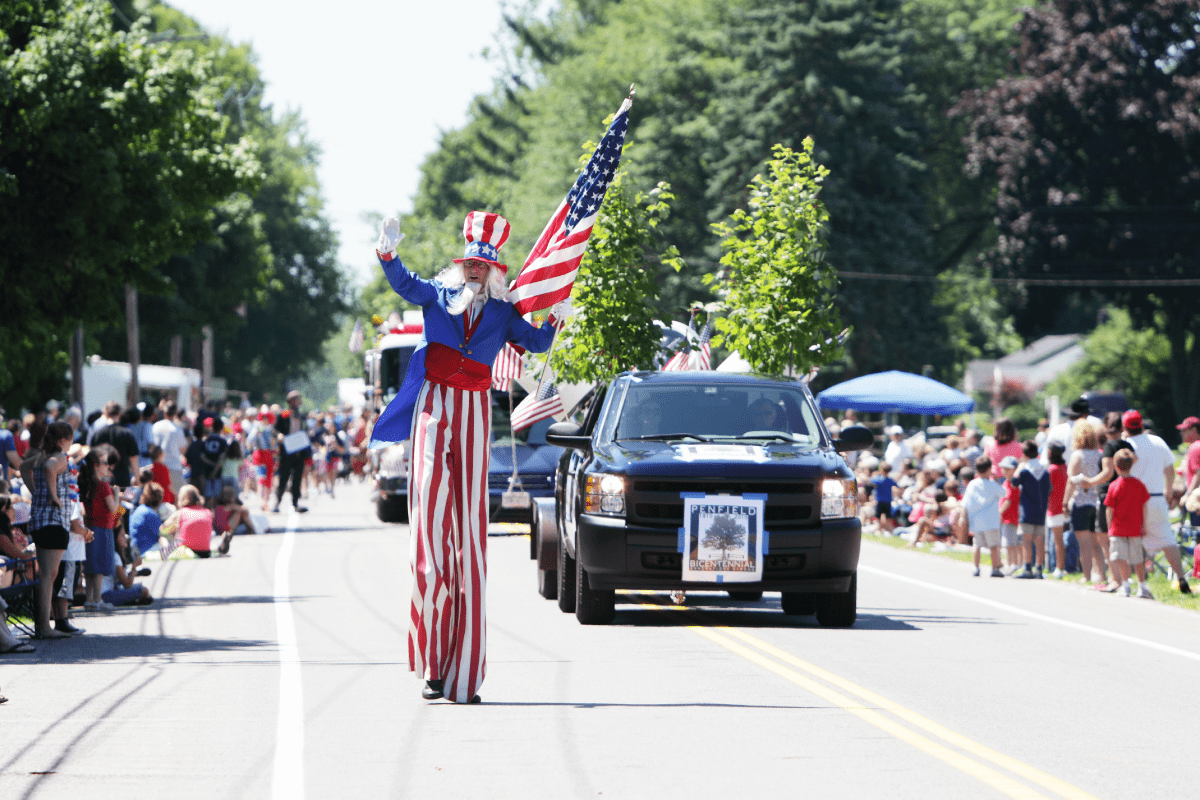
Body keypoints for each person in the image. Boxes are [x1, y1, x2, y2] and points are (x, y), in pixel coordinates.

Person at [373, 212, 565, 704]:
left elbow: (536, 341)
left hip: (475, 410)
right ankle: (433, 666)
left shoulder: (501, 314)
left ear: (494, 272)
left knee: (470, 549)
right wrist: (388, 253)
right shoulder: (438, 296)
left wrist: (557, 316)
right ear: (462, 267)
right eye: (471, 263)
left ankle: (464, 676)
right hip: (435, 405)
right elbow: (404, 283)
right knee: (432, 549)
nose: (476, 270)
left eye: (484, 265)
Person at [1121, 410, 1190, 594]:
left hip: (1133, 500)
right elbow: (1170, 469)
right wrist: (1168, 490)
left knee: (1133, 542)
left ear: (1125, 427)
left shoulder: (1125, 446)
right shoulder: (1157, 441)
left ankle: (1137, 584)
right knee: (1168, 540)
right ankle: (1181, 577)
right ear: (1141, 425)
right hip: (1157, 497)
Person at [18, 421, 76, 639]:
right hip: (54, 520)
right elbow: (52, 468)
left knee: (46, 574)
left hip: (40, 519)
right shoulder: (59, 457)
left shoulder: (42, 455)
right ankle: (44, 626)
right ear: (64, 439)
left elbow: (24, 467)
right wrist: (52, 496)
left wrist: (37, 491)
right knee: (48, 576)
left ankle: (43, 625)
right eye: (70, 439)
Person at [1102, 449, 1151, 597]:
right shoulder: (1139, 484)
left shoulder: (1114, 485)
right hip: (1135, 527)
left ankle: (1125, 585)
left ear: (1116, 466)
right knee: (1137, 559)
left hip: (1117, 528)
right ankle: (1142, 586)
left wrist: (1109, 526)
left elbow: (1109, 509)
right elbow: (1144, 506)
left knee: (1120, 558)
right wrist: (1145, 525)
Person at [1065, 421, 1107, 585]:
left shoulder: (1077, 456)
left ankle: (1087, 575)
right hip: (1096, 501)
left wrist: (1065, 502)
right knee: (1097, 542)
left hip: (1081, 501)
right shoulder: (1099, 454)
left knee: (1084, 542)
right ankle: (1102, 574)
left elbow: (1071, 481)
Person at [79, 445, 119, 612]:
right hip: (103, 528)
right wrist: (117, 494)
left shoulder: (86, 483)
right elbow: (114, 509)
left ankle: (89, 599)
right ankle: (97, 599)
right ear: (96, 465)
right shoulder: (103, 486)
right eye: (104, 463)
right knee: (100, 565)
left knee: (90, 565)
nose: (107, 466)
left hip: (89, 527)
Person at [1013, 440, 1051, 578]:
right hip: (1041, 510)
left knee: (1027, 541)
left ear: (1024, 454)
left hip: (1027, 510)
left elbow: (1014, 482)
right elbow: (1049, 489)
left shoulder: (1025, 470)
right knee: (1039, 540)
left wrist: (1019, 467)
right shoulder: (1044, 470)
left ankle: (1027, 568)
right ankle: (1039, 569)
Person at [963, 456, 1006, 577]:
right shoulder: (992, 484)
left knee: (977, 545)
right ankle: (995, 568)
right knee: (994, 546)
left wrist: (963, 517)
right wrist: (996, 479)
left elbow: (966, 502)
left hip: (976, 520)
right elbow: (1003, 492)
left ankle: (976, 568)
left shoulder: (972, 484)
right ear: (989, 469)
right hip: (991, 521)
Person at [272, 391, 310, 513]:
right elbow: (274, 430)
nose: (299, 402)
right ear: (292, 401)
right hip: (286, 451)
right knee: (283, 478)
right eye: (297, 399)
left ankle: (295, 503)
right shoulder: (283, 414)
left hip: (299, 452)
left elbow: (306, 430)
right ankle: (277, 503)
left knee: (297, 479)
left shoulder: (302, 416)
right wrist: (279, 435)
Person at [159, 485, 214, 558]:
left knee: (162, 537)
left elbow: (162, 529)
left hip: (185, 552)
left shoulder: (180, 513)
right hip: (205, 552)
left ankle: (165, 554)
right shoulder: (207, 512)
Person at [151, 403, 188, 498]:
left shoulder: (155, 426)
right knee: (178, 496)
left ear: (164, 412)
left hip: (157, 466)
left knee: (156, 495)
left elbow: (152, 445)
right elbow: (183, 448)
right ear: (175, 414)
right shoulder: (177, 429)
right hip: (174, 466)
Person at [1045, 443, 1068, 578]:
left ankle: (1059, 568)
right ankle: (1059, 567)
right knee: (1059, 539)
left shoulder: (1052, 469)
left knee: (1058, 540)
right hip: (1063, 507)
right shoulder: (1064, 467)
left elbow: (1048, 489)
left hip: (1054, 507)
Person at [998, 455, 1021, 574]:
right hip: (1006, 518)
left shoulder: (1013, 482)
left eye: (1008, 468)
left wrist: (999, 514)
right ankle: (1011, 563)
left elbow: (1008, 500)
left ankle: (1013, 564)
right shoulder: (1006, 482)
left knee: (1010, 544)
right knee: (1009, 543)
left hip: (1011, 517)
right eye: (1004, 468)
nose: (1005, 470)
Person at [1177, 416, 1200, 528]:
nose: (1181, 433)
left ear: (1194, 430)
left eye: (1184, 430)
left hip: (1198, 497)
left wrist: (1188, 494)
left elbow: (1198, 473)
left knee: (1197, 533)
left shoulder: (1195, 447)